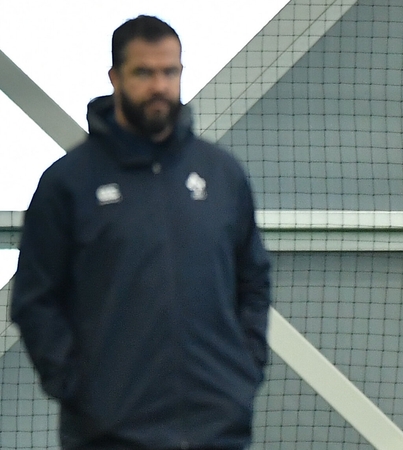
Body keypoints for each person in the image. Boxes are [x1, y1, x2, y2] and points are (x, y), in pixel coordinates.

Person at [11, 15, 271, 450]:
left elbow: (254, 282)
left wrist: (241, 373)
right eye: (144, 73)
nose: (159, 87)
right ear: (115, 77)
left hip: (217, 431)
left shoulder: (222, 175)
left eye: (170, 72)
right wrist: (82, 392)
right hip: (110, 435)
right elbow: (35, 302)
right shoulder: (67, 184)